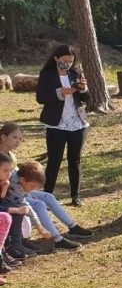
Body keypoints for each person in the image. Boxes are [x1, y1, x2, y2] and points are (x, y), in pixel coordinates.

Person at [0, 123, 94, 250]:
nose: (18, 141)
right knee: (39, 204)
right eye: (14, 137)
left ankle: (72, 227)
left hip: (19, 189)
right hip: (10, 195)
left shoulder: (11, 155)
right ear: (3, 137)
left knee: (48, 196)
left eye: (20, 139)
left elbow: (17, 176)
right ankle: (57, 239)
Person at [36, 44, 90, 206]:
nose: (68, 64)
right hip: (56, 124)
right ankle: (47, 196)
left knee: (75, 160)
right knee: (54, 160)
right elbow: (41, 97)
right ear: (56, 59)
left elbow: (87, 99)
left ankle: (75, 196)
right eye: (65, 61)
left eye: (71, 61)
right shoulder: (47, 74)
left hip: (77, 123)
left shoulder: (75, 73)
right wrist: (60, 93)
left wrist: (83, 89)